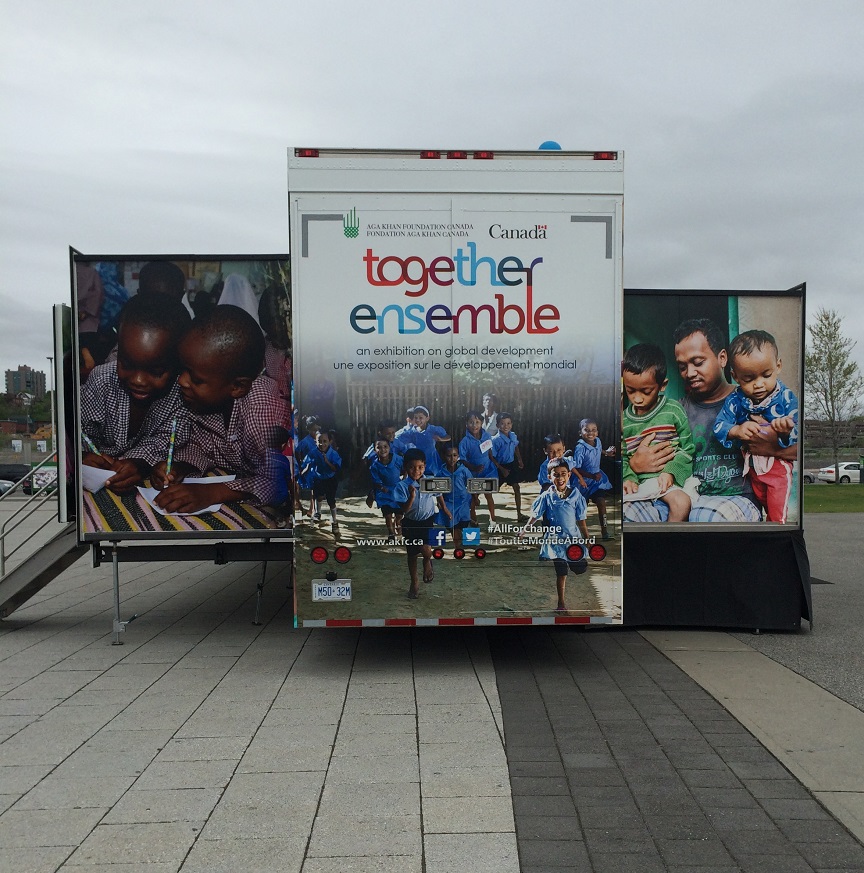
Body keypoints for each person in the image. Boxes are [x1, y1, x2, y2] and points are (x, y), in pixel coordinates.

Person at [625, 319, 789, 523]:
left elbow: (798, 449)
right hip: (682, 495)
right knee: (629, 512)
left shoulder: (753, 402)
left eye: (698, 362)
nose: (690, 373)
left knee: (705, 516)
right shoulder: (673, 412)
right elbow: (635, 450)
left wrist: (775, 447)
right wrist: (634, 465)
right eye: (682, 366)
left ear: (722, 358)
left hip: (736, 499)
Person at [151, 305, 288, 513]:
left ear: (237, 387)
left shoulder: (261, 406)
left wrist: (213, 493)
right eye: (183, 370)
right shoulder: (203, 402)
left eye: (195, 379)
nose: (181, 381)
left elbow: (280, 482)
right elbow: (203, 448)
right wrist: (179, 468)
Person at [81, 294, 191, 493]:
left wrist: (139, 464)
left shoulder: (182, 394)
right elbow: (80, 433)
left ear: (179, 365)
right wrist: (83, 456)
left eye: (156, 371)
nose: (138, 380)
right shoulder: (101, 380)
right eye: (127, 364)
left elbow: (167, 441)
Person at [713, 330, 798, 522]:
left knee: (776, 515)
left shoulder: (785, 398)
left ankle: (777, 539)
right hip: (750, 469)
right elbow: (719, 425)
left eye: (766, 375)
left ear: (778, 366)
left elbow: (798, 429)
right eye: (748, 379)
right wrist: (736, 430)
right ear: (735, 376)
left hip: (777, 468)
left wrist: (786, 431)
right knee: (759, 509)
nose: (759, 385)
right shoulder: (735, 399)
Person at [622, 343, 694, 522]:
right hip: (638, 484)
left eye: (646, 391)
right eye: (630, 391)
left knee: (682, 503)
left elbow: (688, 449)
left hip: (668, 481)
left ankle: (668, 547)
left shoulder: (673, 411)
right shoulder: (623, 420)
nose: (637, 398)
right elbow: (622, 456)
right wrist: (628, 477)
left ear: (663, 385)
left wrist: (670, 472)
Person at [519, 458, 590, 612]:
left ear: (569, 475)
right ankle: (561, 604)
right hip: (555, 540)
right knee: (561, 572)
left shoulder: (576, 495)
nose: (560, 478)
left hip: (572, 539)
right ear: (550, 477)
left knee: (580, 568)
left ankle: (573, 564)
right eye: (556, 475)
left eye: (563, 474)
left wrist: (588, 540)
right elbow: (536, 515)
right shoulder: (547, 496)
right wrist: (525, 529)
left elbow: (581, 520)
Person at [393, 448, 448, 599]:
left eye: (420, 467)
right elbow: (403, 510)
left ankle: (427, 561)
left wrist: (445, 509)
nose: (416, 471)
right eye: (411, 467)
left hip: (427, 519)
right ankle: (414, 582)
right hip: (410, 522)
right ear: (405, 467)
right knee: (411, 554)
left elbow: (439, 495)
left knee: (426, 548)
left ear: (424, 465)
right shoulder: (402, 486)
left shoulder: (430, 481)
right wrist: (411, 496)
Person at [572, 418, 614, 539]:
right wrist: (591, 476)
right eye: (587, 430)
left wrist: (607, 453)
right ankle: (582, 535)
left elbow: (598, 450)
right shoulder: (580, 448)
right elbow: (576, 468)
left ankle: (605, 531)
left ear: (597, 431)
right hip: (582, 482)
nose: (591, 433)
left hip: (596, 481)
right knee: (582, 509)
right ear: (580, 432)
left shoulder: (598, 441)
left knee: (601, 502)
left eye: (593, 430)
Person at [459, 411, 498, 522]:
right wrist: (473, 468)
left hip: (487, 471)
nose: (474, 425)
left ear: (481, 423)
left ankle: (493, 518)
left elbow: (490, 453)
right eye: (471, 422)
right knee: (472, 497)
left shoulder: (487, 436)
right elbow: (462, 459)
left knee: (488, 495)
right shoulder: (465, 441)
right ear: (466, 424)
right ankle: (473, 518)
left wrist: (498, 466)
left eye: (477, 422)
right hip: (473, 473)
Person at [303, 429, 342, 532]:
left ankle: (334, 522)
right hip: (318, 478)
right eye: (319, 441)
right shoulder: (313, 452)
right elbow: (307, 462)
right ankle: (318, 512)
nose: (322, 444)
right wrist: (303, 471)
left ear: (329, 441)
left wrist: (327, 462)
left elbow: (336, 468)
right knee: (318, 496)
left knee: (331, 501)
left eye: (325, 441)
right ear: (315, 441)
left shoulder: (333, 454)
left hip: (330, 479)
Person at [367, 437, 403, 542]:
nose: (383, 450)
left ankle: (399, 534)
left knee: (399, 516)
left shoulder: (397, 459)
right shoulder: (374, 465)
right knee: (388, 515)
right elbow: (376, 480)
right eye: (379, 447)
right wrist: (381, 487)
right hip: (384, 494)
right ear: (374, 450)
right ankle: (391, 534)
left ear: (390, 447)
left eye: (385, 447)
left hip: (398, 492)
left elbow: (406, 468)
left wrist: (404, 479)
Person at [436, 445, 473, 546]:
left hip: (463, 501)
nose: (452, 458)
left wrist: (475, 498)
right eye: (449, 456)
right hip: (448, 502)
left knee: (464, 522)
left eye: (454, 455)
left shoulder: (463, 470)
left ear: (458, 456)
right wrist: (440, 503)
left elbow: (471, 484)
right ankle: (458, 545)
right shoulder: (441, 473)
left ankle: (463, 541)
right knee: (452, 525)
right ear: (444, 456)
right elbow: (438, 491)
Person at [491, 412, 524, 521]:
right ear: (497, 426)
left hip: (511, 465)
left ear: (512, 424)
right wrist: (501, 469)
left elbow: (515, 446)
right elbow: (491, 456)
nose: (506, 426)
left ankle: (519, 514)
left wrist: (519, 459)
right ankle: (491, 515)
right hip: (499, 467)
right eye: (502, 424)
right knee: (492, 490)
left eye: (508, 423)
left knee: (517, 488)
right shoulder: (496, 440)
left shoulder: (513, 435)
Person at [403, 405, 450, 475]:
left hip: (432, 464)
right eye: (416, 418)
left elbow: (448, 437)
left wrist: (441, 439)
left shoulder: (433, 429)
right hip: (418, 463)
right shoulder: (412, 432)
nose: (418, 420)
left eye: (421, 418)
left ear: (427, 418)